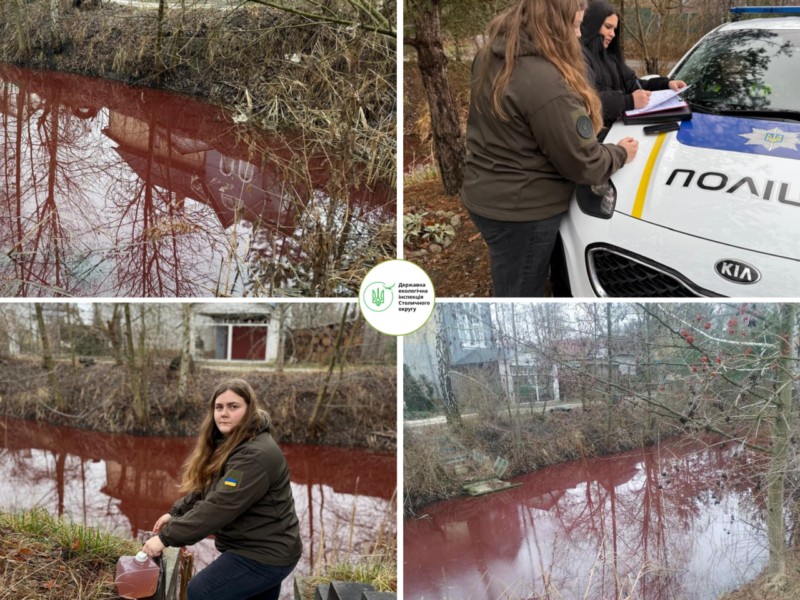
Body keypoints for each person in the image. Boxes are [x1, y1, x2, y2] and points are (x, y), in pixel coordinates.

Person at [461, 0, 638, 297]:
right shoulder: (548, 83)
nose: (580, 35)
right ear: (553, 25)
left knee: (509, 271)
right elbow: (584, 163)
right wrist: (620, 153)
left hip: (484, 191)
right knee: (519, 292)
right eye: (574, 26)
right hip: (521, 212)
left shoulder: (489, 54)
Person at [142, 379, 302, 600]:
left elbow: (220, 507)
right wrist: (177, 512)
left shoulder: (254, 455)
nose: (224, 413)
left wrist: (166, 538)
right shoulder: (234, 444)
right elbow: (211, 487)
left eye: (233, 407)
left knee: (201, 591)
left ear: (249, 410)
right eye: (219, 407)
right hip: (267, 547)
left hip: (265, 554)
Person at [580, 0, 687, 127]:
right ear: (593, 25)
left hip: (616, 129)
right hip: (597, 136)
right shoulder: (579, 58)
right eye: (608, 27)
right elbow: (586, 100)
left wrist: (666, 84)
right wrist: (628, 101)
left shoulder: (610, 56)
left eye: (615, 29)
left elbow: (633, 84)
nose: (613, 34)